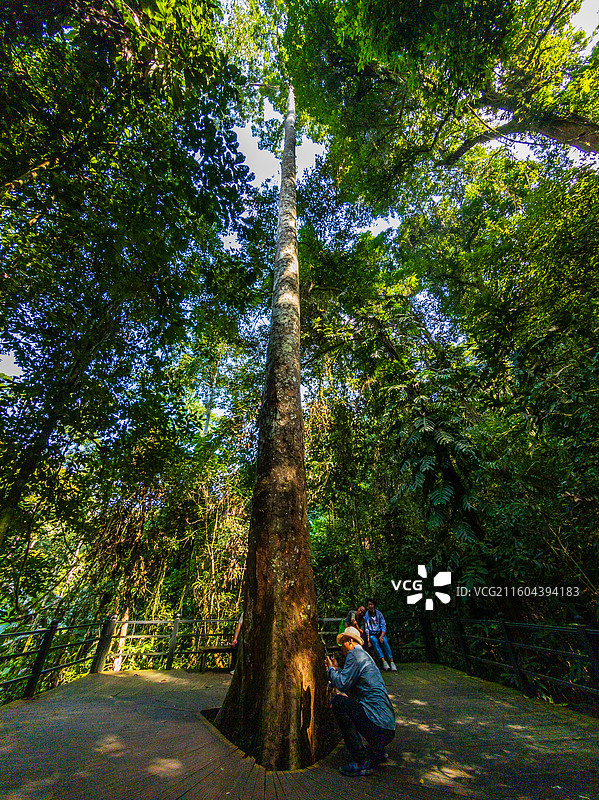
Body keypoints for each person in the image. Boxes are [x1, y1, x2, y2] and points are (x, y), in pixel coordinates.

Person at [325, 626, 396, 777]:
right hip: (387, 727)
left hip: (378, 725)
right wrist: (337, 672)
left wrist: (331, 670)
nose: (341, 647)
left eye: (342, 642)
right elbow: (350, 689)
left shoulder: (355, 655)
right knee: (350, 703)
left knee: (338, 703)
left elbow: (342, 684)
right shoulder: (364, 656)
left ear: (350, 641)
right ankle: (378, 750)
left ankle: (361, 760)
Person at [364, 598, 397, 671]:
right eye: (369, 605)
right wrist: (368, 640)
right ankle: (384, 662)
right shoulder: (366, 615)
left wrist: (382, 636)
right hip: (372, 634)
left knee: (385, 641)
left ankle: (391, 661)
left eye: (371, 604)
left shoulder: (379, 614)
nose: (370, 606)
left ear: (374, 605)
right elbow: (367, 629)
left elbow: (383, 625)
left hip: (379, 633)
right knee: (375, 642)